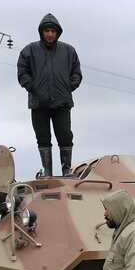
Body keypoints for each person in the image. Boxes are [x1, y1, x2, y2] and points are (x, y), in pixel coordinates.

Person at [16, 13, 83, 178]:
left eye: (53, 30)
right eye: (47, 30)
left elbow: (77, 73)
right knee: (43, 138)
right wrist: (32, 87)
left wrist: (68, 87)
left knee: (65, 136)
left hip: (62, 103)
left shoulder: (68, 50)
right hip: (39, 104)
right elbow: (22, 72)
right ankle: (47, 172)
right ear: (42, 32)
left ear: (58, 32)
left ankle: (67, 170)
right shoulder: (29, 50)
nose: (50, 34)